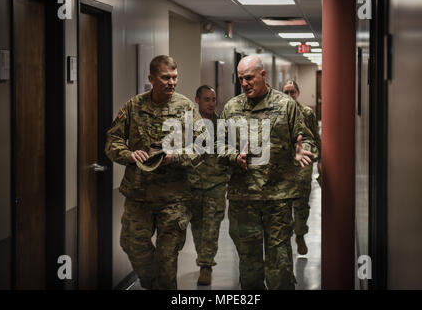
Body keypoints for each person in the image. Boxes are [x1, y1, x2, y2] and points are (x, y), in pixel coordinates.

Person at [218, 56, 318, 290]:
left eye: (250, 77)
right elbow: (216, 145)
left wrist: (302, 152)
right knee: (249, 267)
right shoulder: (232, 108)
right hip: (243, 200)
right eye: (241, 78)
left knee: (280, 266)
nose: (245, 83)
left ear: (263, 75)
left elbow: (309, 141)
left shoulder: (286, 106)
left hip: (278, 199)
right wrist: (234, 156)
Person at [105, 55, 203, 290]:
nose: (171, 82)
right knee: (131, 244)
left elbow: (202, 145)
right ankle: (153, 284)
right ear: (151, 78)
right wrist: (128, 154)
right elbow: (113, 140)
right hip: (139, 195)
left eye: (174, 77)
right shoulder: (134, 106)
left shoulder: (185, 107)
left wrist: (174, 156)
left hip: (173, 198)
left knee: (167, 260)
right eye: (165, 77)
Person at [186, 85, 228, 286]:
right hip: (192, 185)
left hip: (216, 185)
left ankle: (206, 265)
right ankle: (203, 258)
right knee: (197, 227)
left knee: (211, 227)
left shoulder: (223, 125)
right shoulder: (187, 124)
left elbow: (230, 151)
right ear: (197, 100)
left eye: (213, 99)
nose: (211, 103)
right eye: (206, 99)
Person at [282, 80, 322, 255]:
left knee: (301, 200)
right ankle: (284, 237)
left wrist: (321, 159)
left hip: (303, 159)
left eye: (292, 91)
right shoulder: (278, 112)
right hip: (284, 158)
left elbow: (316, 136)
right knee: (282, 202)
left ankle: (300, 233)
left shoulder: (306, 112)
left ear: (298, 92)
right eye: (286, 92)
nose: (290, 95)